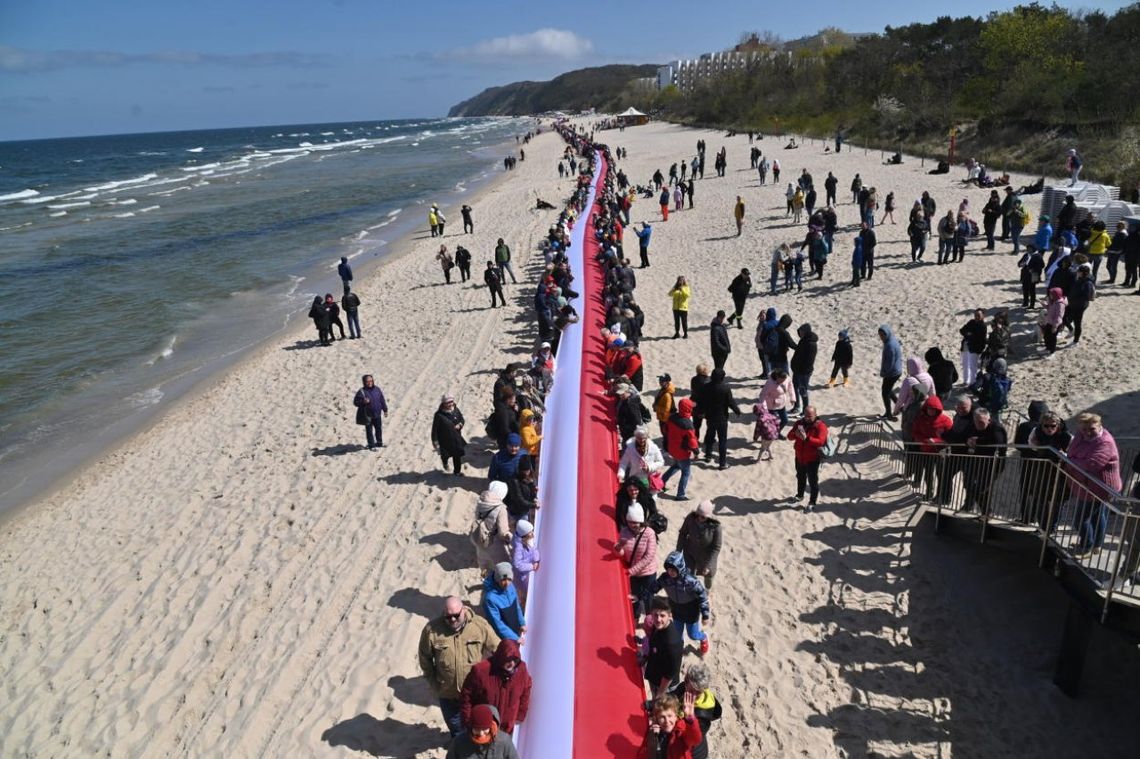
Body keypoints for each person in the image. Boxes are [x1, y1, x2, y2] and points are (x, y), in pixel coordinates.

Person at [418, 596, 500, 737]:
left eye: (456, 616)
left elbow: (498, 649)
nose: (453, 620)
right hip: (448, 696)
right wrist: (435, 684)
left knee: (479, 730)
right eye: (448, 617)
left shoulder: (479, 626)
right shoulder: (431, 631)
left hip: (475, 694)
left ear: (464, 610)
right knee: (457, 732)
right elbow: (425, 658)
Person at [1066, 412, 1122, 555]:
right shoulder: (1080, 435)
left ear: (1100, 426)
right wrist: (1077, 460)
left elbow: (1092, 464)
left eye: (1092, 429)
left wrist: (1072, 461)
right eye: (1084, 429)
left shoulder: (1105, 442)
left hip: (1100, 486)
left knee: (1081, 519)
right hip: (1087, 484)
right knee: (1098, 515)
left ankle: (1087, 546)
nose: (1088, 433)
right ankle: (1096, 545)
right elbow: (1071, 451)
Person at [642, 552, 712, 655]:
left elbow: (702, 596)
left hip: (691, 611)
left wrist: (705, 615)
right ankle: (679, 648)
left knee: (693, 634)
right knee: (677, 635)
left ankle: (703, 637)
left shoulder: (690, 581)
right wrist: (641, 596)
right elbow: (653, 588)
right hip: (676, 610)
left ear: (680, 568)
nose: (671, 572)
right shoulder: (665, 578)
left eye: (674, 569)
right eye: (669, 569)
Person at [459, 638, 531, 735]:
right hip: (483, 730)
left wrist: (520, 715)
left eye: (515, 659)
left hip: (506, 730)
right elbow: (466, 696)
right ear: (501, 657)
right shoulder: (481, 671)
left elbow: (526, 690)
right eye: (508, 659)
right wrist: (468, 722)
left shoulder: (521, 669)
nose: (512, 664)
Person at [667, 665, 722, 759]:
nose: (694, 695)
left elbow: (691, 740)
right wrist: (651, 705)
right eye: (692, 690)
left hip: (691, 753)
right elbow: (670, 698)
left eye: (698, 692)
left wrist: (690, 719)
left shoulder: (703, 716)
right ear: (686, 681)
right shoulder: (683, 687)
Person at [962, 408, 1007, 514]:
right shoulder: (972, 425)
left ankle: (987, 512)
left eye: (981, 422)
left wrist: (977, 441)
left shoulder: (997, 428)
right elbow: (964, 436)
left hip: (993, 464)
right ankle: (970, 507)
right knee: (968, 484)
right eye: (976, 422)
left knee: (981, 489)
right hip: (976, 461)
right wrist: (967, 441)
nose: (978, 425)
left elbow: (998, 442)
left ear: (989, 420)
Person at [617, 502, 658, 618]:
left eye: (635, 522)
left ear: (641, 520)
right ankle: (635, 618)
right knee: (633, 597)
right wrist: (618, 548)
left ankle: (650, 620)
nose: (632, 525)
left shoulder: (649, 533)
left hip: (647, 573)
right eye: (629, 522)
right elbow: (623, 554)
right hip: (633, 573)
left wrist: (633, 570)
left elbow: (649, 556)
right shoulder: (624, 531)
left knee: (648, 598)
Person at [695, 368, 740, 470]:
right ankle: (722, 463)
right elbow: (730, 402)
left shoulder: (706, 387)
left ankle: (708, 455)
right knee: (722, 440)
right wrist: (737, 411)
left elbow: (701, 402)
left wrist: (701, 412)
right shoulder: (725, 388)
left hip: (710, 417)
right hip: (722, 418)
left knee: (710, 436)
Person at [910, 396, 953, 499]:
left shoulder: (945, 420)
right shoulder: (920, 419)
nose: (931, 411)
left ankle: (940, 496)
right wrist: (924, 440)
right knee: (928, 474)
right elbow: (915, 432)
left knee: (940, 475)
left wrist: (936, 441)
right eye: (929, 409)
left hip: (940, 452)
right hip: (926, 451)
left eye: (933, 409)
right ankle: (929, 493)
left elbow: (950, 437)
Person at [641, 597, 685, 698]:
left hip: (664, 686)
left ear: (670, 616)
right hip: (655, 674)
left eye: (662, 615)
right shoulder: (657, 627)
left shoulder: (672, 643)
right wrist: (645, 658)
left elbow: (670, 674)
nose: (658, 619)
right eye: (655, 615)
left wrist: (660, 693)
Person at [787, 406, 828, 511]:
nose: (807, 418)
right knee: (800, 477)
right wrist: (795, 434)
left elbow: (821, 441)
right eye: (805, 415)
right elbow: (789, 436)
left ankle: (812, 502)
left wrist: (807, 439)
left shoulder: (821, 426)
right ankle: (799, 496)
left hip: (812, 459)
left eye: (810, 416)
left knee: (813, 481)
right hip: (799, 457)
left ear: (815, 414)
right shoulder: (799, 423)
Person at [638, 692, 703, 759]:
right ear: (657, 718)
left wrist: (690, 718)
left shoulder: (681, 730)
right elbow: (644, 753)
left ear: (676, 716)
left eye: (670, 716)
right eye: (662, 717)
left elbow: (695, 739)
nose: (667, 721)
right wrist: (652, 738)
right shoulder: (654, 732)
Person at [676, 501, 721, 592]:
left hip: (706, 555)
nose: (699, 518)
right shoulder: (690, 518)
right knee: (688, 574)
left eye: (703, 517)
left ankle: (707, 590)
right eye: (698, 515)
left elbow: (716, 547)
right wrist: (678, 551)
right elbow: (683, 533)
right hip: (690, 551)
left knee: (709, 575)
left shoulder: (716, 527)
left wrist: (708, 565)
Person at [445, 704, 518, 759]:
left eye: (484, 729)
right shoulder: (459, 742)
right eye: (477, 729)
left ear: (490, 726)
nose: (481, 733)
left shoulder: (504, 741)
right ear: (471, 727)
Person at [662, 398, 701, 501]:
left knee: (676, 466)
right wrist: (696, 452)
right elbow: (692, 441)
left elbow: (665, 429)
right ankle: (680, 494)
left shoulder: (672, 417)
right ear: (688, 409)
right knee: (686, 473)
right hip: (682, 452)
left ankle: (661, 482)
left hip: (672, 448)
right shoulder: (687, 424)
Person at [472, 481, 512, 573]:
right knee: (501, 564)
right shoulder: (501, 508)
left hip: (480, 536)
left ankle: (484, 576)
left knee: (483, 562)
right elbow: (503, 533)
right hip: (493, 542)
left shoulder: (481, 501)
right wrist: (511, 537)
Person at [482, 562, 526, 643]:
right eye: (503, 580)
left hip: (514, 628)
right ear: (497, 579)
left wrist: (522, 623)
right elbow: (498, 624)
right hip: (503, 636)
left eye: (509, 579)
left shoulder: (511, 586)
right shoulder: (490, 598)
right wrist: (515, 638)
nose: (507, 583)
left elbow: (517, 606)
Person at [432, 394, 467, 475]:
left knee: (457, 456)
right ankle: (445, 463)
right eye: (448, 402)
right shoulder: (438, 415)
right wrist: (435, 442)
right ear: (444, 403)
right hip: (445, 441)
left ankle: (457, 472)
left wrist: (460, 425)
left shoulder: (456, 409)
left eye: (451, 401)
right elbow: (434, 430)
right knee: (445, 455)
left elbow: (462, 419)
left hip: (456, 438)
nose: (450, 404)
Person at [353, 374, 388, 449]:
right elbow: (355, 402)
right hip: (368, 415)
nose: (370, 383)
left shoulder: (377, 389)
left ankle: (379, 443)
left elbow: (382, 399)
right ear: (364, 382)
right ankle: (371, 445)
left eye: (371, 381)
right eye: (367, 381)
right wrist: (363, 401)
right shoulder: (361, 391)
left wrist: (385, 410)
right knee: (369, 431)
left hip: (377, 413)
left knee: (378, 429)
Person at [1065, 263, 1096, 344]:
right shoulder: (1078, 279)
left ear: (1082, 273)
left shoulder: (1087, 283)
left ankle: (1075, 341)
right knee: (1064, 317)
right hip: (1072, 304)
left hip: (1079, 306)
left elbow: (1086, 296)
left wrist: (1074, 297)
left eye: (1078, 271)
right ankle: (1071, 330)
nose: (1077, 272)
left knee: (1077, 323)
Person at [878, 325, 903, 419]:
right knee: (888, 389)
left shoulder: (889, 346)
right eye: (879, 335)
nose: (880, 337)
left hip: (892, 373)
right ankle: (900, 407)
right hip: (897, 370)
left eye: (882, 335)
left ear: (886, 334)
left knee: (885, 393)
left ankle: (888, 414)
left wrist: (884, 373)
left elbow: (890, 363)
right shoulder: (891, 340)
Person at [958, 309, 987, 387]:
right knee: (965, 365)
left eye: (978, 315)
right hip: (965, 346)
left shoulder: (983, 326)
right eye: (975, 315)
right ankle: (965, 381)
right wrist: (969, 334)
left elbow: (980, 338)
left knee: (972, 366)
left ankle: (972, 383)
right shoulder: (971, 322)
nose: (976, 317)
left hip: (974, 348)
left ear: (983, 316)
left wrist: (970, 334)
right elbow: (962, 330)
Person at [654, 374, 677, 439]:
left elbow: (667, 409)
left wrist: (657, 407)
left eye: (662, 381)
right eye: (660, 380)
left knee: (666, 434)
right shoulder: (664, 389)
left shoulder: (667, 395)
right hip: (663, 416)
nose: (660, 382)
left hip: (665, 418)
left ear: (667, 382)